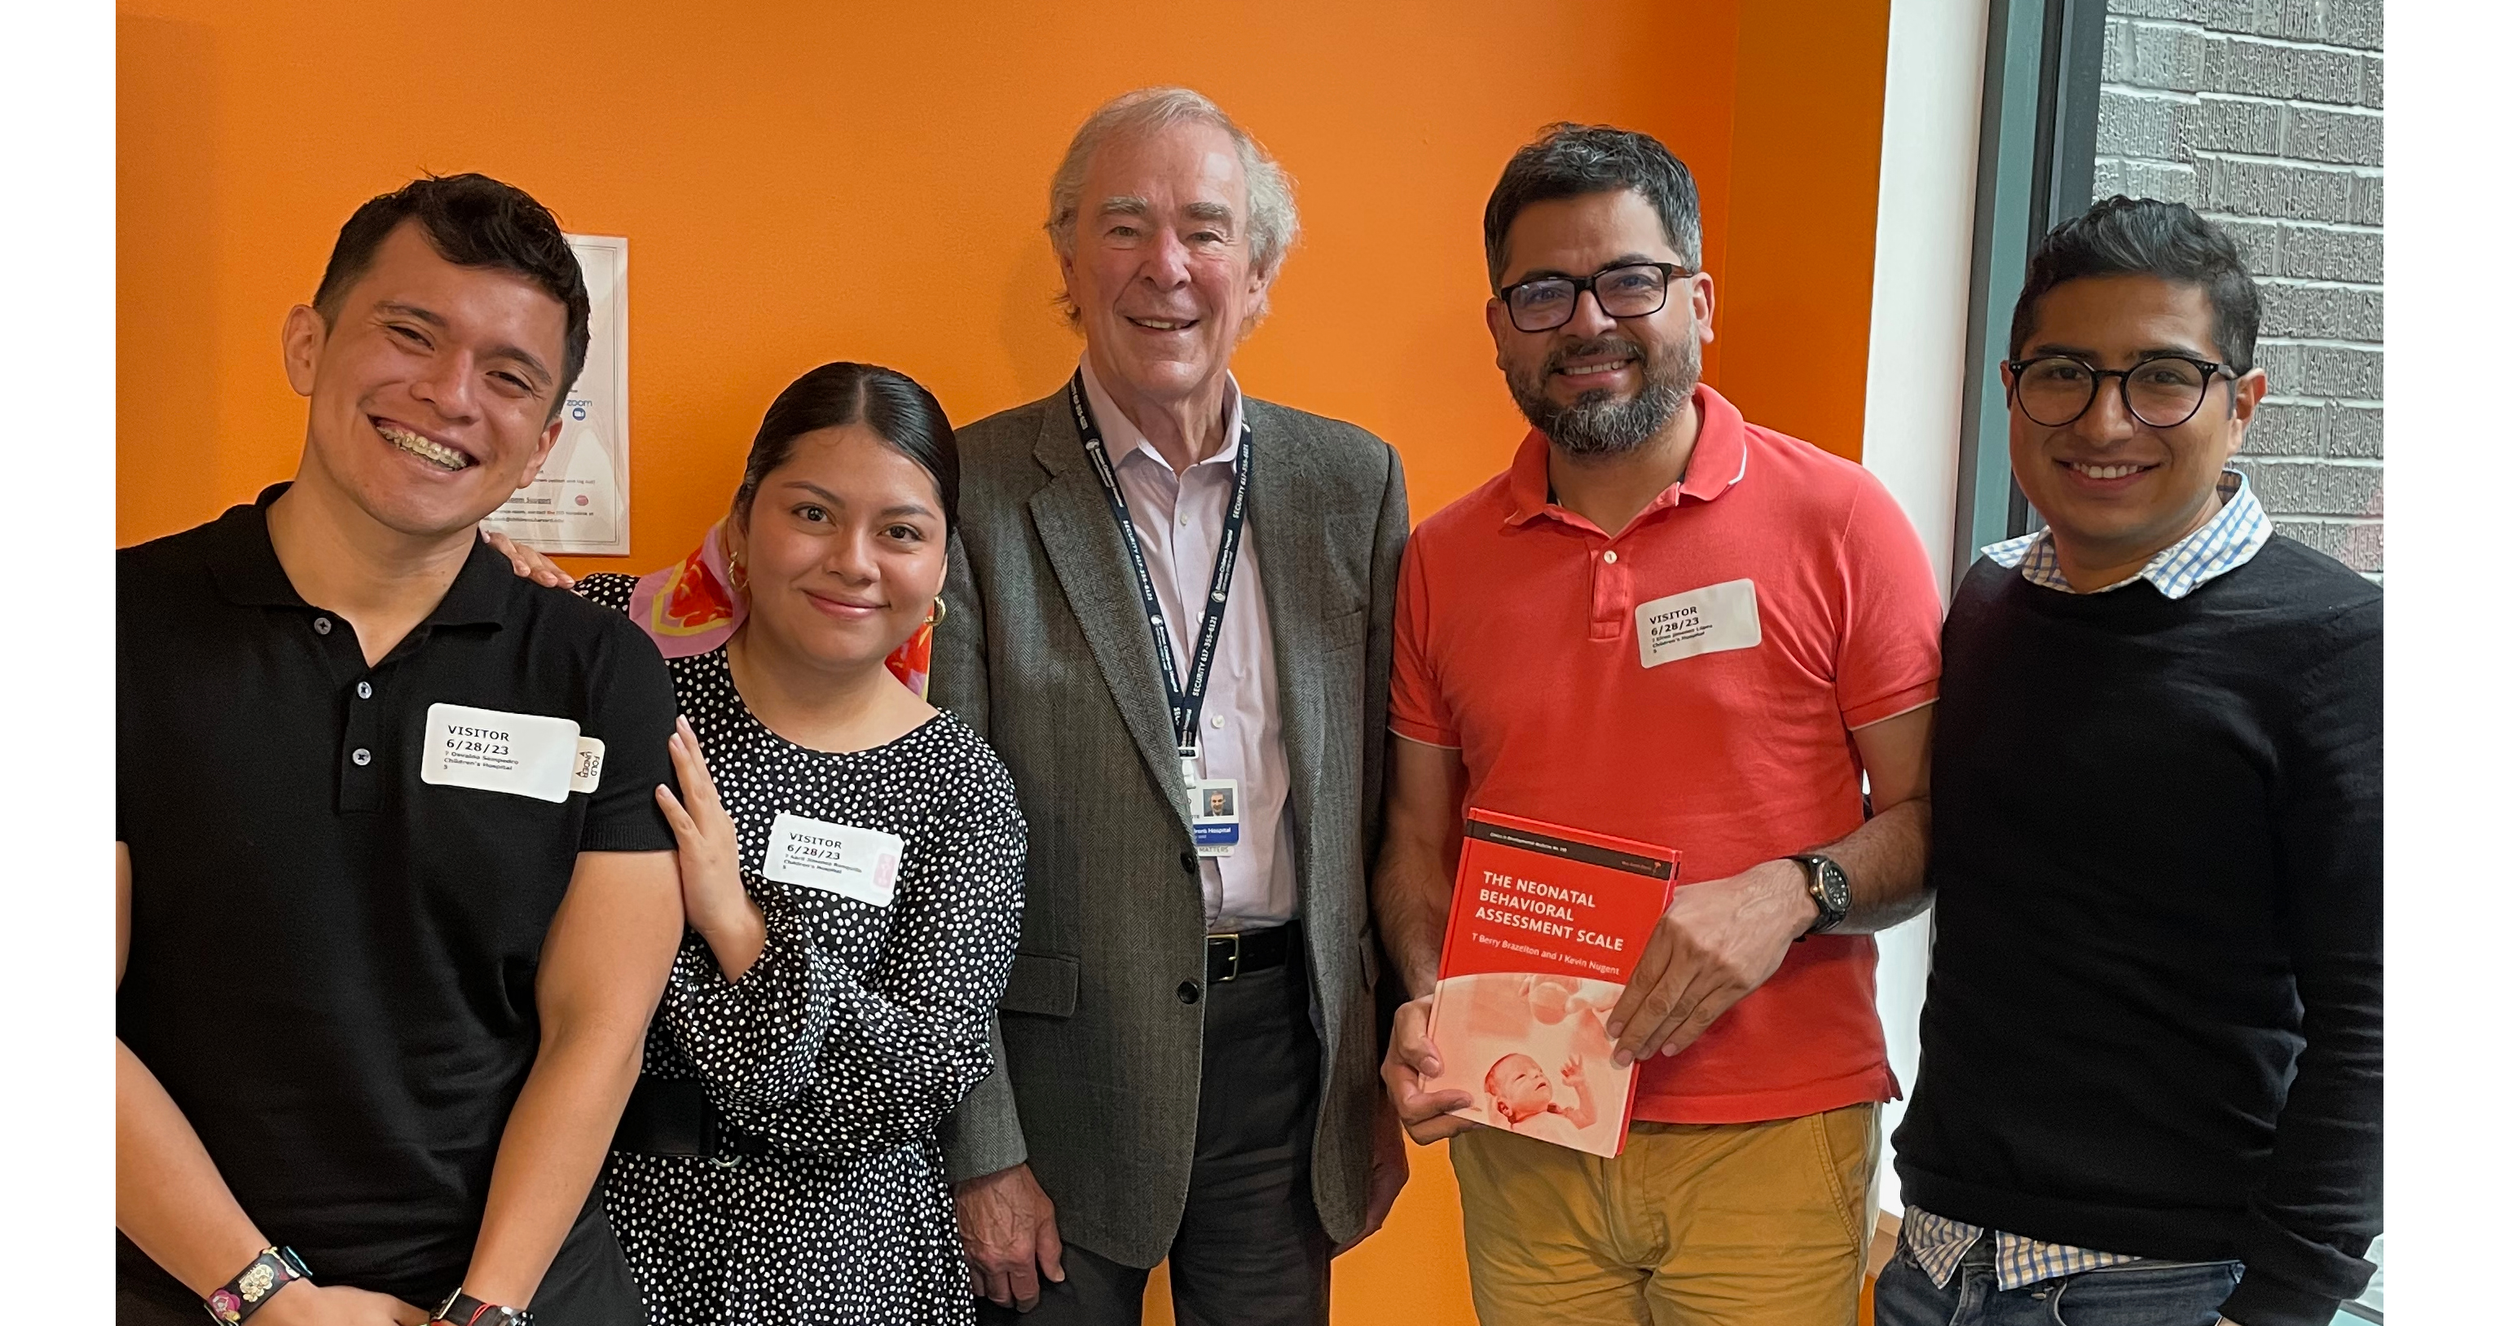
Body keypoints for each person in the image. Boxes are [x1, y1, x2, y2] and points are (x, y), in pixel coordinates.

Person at [1374, 124, 1945, 1325]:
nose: (1586, 323)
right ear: (1498, 330)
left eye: (1627, 280)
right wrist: (1424, 995)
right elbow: (1419, 847)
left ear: (1697, 298)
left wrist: (1788, 892)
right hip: (1526, 1118)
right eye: (1541, 293)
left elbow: (1932, 821)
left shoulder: (1840, 521)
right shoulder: (1440, 560)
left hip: (1774, 1135)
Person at [117, 174, 684, 1326]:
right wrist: (265, 1295)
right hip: (188, 1278)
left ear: (541, 444)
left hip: (516, 1290)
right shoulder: (113, 625)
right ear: (308, 344)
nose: (449, 395)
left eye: (509, 376)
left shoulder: (597, 668)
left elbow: (600, 1024)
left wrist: (488, 1306)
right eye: (411, 334)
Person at [932, 86, 1411, 1326]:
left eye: (1205, 230)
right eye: (1125, 226)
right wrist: (981, 1144)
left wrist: (1380, 1064)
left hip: (1283, 1063)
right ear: (1068, 262)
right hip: (1053, 1074)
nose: (1167, 268)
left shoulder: (1350, 485)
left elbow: (1385, 799)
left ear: (1256, 272)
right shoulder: (973, 488)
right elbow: (940, 845)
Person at [1876, 197, 2382, 1326]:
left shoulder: (2338, 644)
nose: (2104, 422)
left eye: (2162, 377)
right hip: (1935, 1261)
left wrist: (2283, 1305)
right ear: (2011, 391)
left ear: (2242, 404)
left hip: (2167, 1283)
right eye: (2063, 373)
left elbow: (2379, 1015)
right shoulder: (1990, 600)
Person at [540, 362, 1022, 1325]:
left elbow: (914, 1076)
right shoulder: (627, 685)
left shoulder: (962, 789)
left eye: (901, 533)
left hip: (848, 1262)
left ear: (939, 565)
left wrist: (738, 930)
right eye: (812, 514)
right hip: (595, 1227)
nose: (853, 561)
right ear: (743, 524)